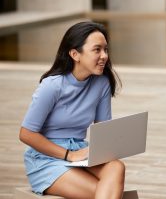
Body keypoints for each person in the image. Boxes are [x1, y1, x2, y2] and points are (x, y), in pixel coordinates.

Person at [19, 21, 125, 199]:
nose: (104, 56)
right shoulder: (52, 86)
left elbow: (103, 130)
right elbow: (26, 134)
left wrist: (116, 143)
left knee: (116, 166)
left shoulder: (102, 83)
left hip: (82, 152)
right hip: (47, 159)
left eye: (106, 49)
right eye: (97, 49)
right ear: (75, 54)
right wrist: (69, 155)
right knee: (105, 193)